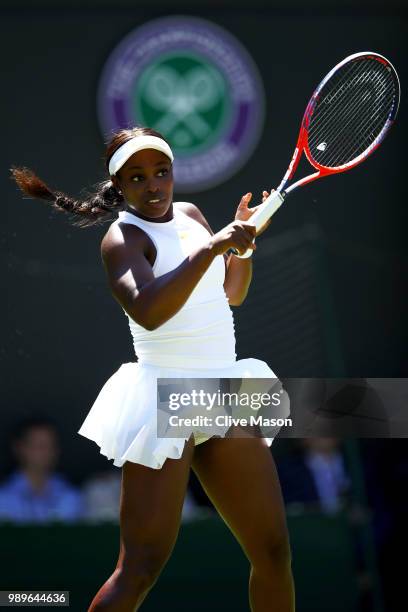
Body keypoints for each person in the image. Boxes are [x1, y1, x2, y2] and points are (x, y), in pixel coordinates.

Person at [11, 127, 295, 611]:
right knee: (139, 569)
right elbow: (148, 308)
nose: (154, 185)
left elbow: (231, 294)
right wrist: (211, 248)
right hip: (166, 401)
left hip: (222, 392)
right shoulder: (121, 239)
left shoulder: (189, 216)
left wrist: (242, 246)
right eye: (138, 177)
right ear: (119, 185)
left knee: (273, 552)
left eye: (162, 172)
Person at [0, 416, 83, 523]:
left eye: (51, 445)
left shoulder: (70, 496)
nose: (47, 452)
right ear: (19, 448)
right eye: (39, 446)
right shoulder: (4, 497)